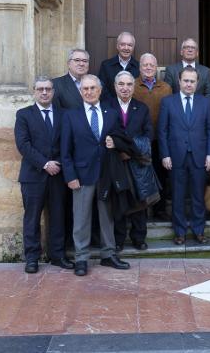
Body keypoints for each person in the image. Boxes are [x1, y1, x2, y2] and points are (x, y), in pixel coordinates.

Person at [61, 74, 130, 276]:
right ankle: (81, 258)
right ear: (80, 91)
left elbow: (122, 138)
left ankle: (108, 254)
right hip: (81, 174)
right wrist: (70, 176)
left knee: (107, 215)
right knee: (81, 217)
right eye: (85, 89)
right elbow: (65, 151)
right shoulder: (71, 115)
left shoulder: (111, 113)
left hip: (106, 173)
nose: (89, 92)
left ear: (100, 90)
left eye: (93, 88)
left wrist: (115, 143)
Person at [15, 76, 73, 273]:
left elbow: (67, 143)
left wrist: (58, 165)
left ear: (53, 92)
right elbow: (23, 145)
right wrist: (45, 163)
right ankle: (32, 258)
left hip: (58, 175)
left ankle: (57, 255)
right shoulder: (24, 114)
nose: (45, 92)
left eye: (48, 89)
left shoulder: (64, 114)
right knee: (32, 218)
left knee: (58, 216)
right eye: (40, 89)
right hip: (33, 176)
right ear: (34, 91)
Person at [157, 67, 210, 245]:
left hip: (199, 156)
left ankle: (199, 230)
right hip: (175, 157)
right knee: (178, 196)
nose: (189, 84)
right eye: (186, 80)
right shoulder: (168, 102)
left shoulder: (204, 102)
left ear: (197, 83)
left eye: (192, 81)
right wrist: (165, 154)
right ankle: (180, 231)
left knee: (198, 195)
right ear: (179, 81)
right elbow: (162, 131)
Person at [107, 71, 153, 251]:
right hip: (115, 161)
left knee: (139, 200)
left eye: (128, 84)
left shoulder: (141, 108)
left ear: (133, 87)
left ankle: (139, 238)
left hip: (136, 162)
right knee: (118, 200)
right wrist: (120, 151)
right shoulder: (107, 106)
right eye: (121, 84)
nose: (125, 88)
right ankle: (118, 240)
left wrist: (131, 152)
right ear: (115, 86)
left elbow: (149, 134)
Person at [132, 53, 172, 220]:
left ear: (156, 68)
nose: (148, 68)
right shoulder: (132, 85)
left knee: (161, 174)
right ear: (139, 67)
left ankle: (159, 209)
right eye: (145, 65)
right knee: (140, 174)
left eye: (151, 65)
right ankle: (140, 210)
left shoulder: (166, 88)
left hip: (160, 139)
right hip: (140, 140)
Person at [97, 32, 140, 99]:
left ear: (133, 47)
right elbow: (102, 89)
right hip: (111, 106)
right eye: (122, 44)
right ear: (117, 46)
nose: (126, 48)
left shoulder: (139, 67)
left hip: (133, 107)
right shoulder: (106, 65)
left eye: (130, 45)